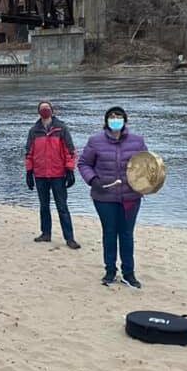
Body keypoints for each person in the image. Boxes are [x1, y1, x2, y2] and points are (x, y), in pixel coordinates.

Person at [78, 106, 148, 288]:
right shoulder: (95, 141)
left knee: (126, 234)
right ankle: (110, 270)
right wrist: (93, 180)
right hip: (104, 196)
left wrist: (148, 183)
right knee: (109, 233)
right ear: (106, 120)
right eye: (111, 116)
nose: (115, 119)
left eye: (118, 116)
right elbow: (84, 163)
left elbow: (147, 165)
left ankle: (128, 273)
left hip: (130, 197)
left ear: (125, 120)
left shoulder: (138, 141)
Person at [25, 100, 80, 249]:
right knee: (44, 206)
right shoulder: (33, 131)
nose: (45, 111)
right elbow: (29, 153)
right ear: (38, 112)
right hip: (40, 174)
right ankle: (46, 233)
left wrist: (70, 170)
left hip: (58, 174)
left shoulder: (61, 128)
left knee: (62, 206)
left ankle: (69, 238)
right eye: (42, 109)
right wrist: (29, 172)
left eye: (47, 108)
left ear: (52, 110)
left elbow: (70, 151)